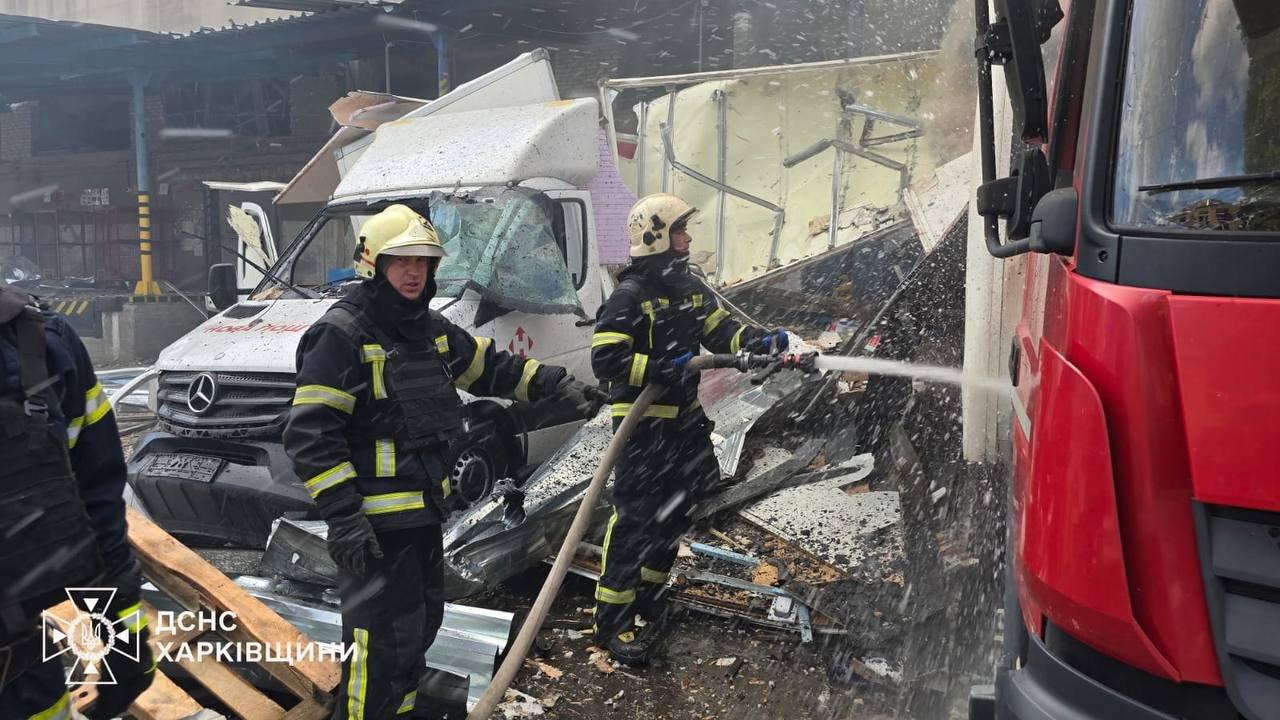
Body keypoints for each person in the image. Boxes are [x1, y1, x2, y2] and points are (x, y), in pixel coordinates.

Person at [283, 204, 605, 719]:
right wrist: (344, 518)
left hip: (423, 517)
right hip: (371, 529)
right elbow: (311, 436)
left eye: (424, 262)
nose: (415, 272)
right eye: (402, 261)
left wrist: (555, 383)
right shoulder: (341, 336)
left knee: (418, 631)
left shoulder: (428, 330)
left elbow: (488, 367)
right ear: (374, 264)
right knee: (377, 649)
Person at [590, 193, 790, 666]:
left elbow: (722, 334)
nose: (688, 238)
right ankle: (611, 624)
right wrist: (662, 367)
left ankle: (650, 603)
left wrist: (760, 342)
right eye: (681, 231)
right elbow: (606, 359)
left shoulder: (690, 288)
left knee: (675, 515)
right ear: (655, 236)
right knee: (636, 520)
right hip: (643, 431)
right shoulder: (630, 295)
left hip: (684, 423)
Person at [0, 284, 155, 719]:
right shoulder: (43, 342)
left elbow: (86, 510)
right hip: (21, 675)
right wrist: (123, 640)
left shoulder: (44, 343)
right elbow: (94, 508)